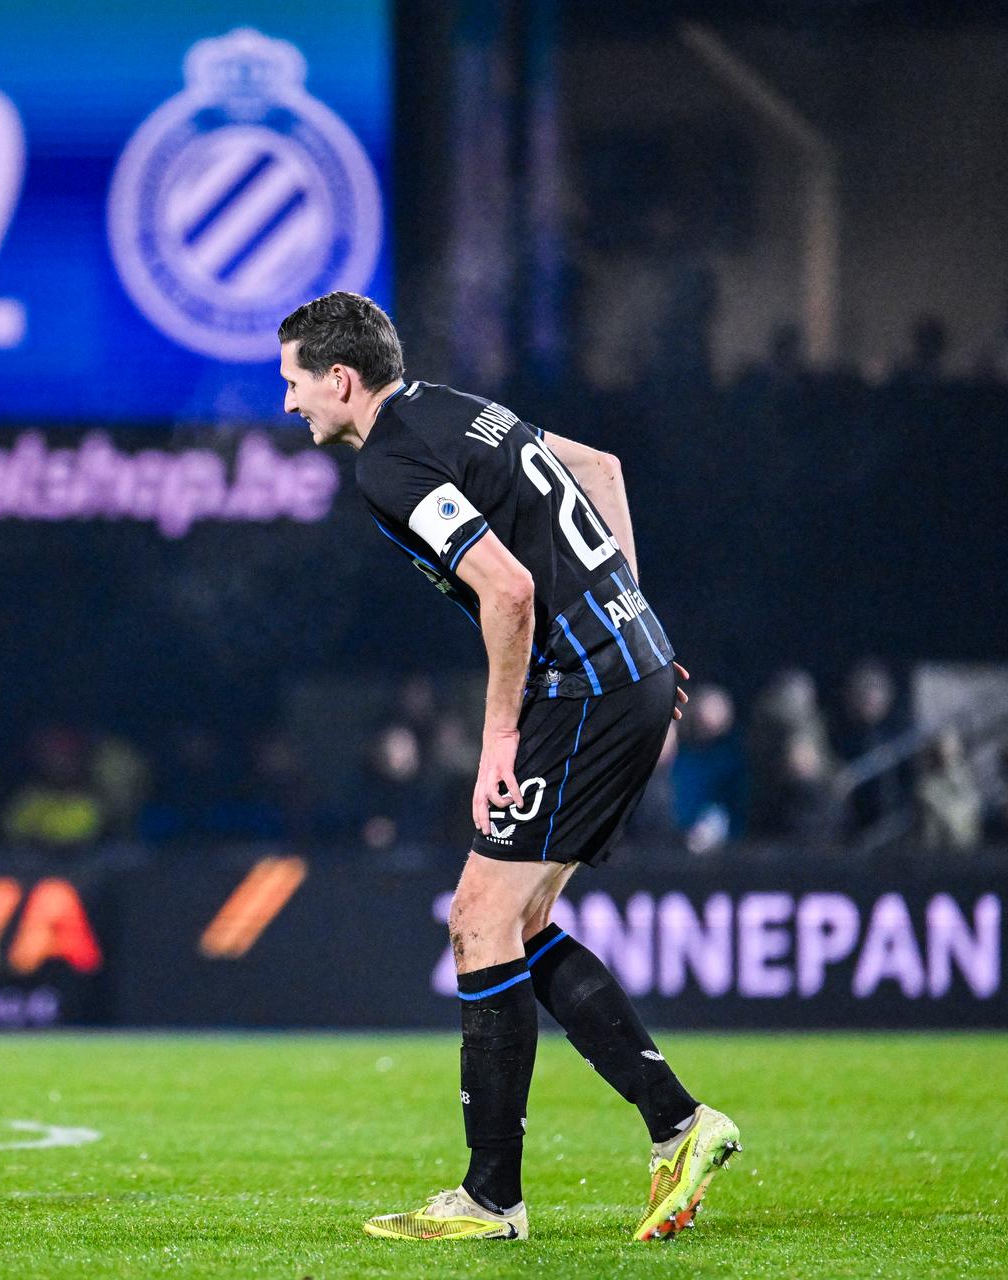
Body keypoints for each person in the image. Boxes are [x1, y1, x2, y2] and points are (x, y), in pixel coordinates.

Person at [277, 292, 737, 1244]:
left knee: (479, 918)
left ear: (340, 378)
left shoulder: (390, 461)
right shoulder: (452, 407)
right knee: (518, 921)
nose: (288, 404)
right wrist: (634, 627)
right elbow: (598, 470)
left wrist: (495, 741)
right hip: (624, 673)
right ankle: (680, 1126)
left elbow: (510, 588)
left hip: (582, 689)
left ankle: (494, 1199)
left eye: (293, 382)